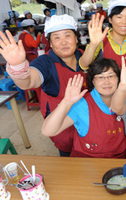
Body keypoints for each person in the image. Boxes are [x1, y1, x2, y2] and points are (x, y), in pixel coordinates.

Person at [0, 14, 86, 157]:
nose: (63, 42)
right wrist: (18, 66)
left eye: (67, 35)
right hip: (63, 127)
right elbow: (28, 82)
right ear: (50, 43)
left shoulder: (82, 55)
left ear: (76, 38)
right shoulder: (45, 62)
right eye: (57, 38)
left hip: (87, 121)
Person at [42, 58, 126, 158]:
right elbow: (47, 131)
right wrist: (66, 102)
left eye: (111, 76)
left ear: (119, 79)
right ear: (92, 81)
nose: (106, 82)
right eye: (100, 77)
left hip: (119, 160)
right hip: (87, 161)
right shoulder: (82, 104)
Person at [79, 0, 126, 69]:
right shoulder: (100, 41)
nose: (124, 22)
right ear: (110, 20)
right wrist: (93, 45)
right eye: (119, 17)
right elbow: (84, 65)